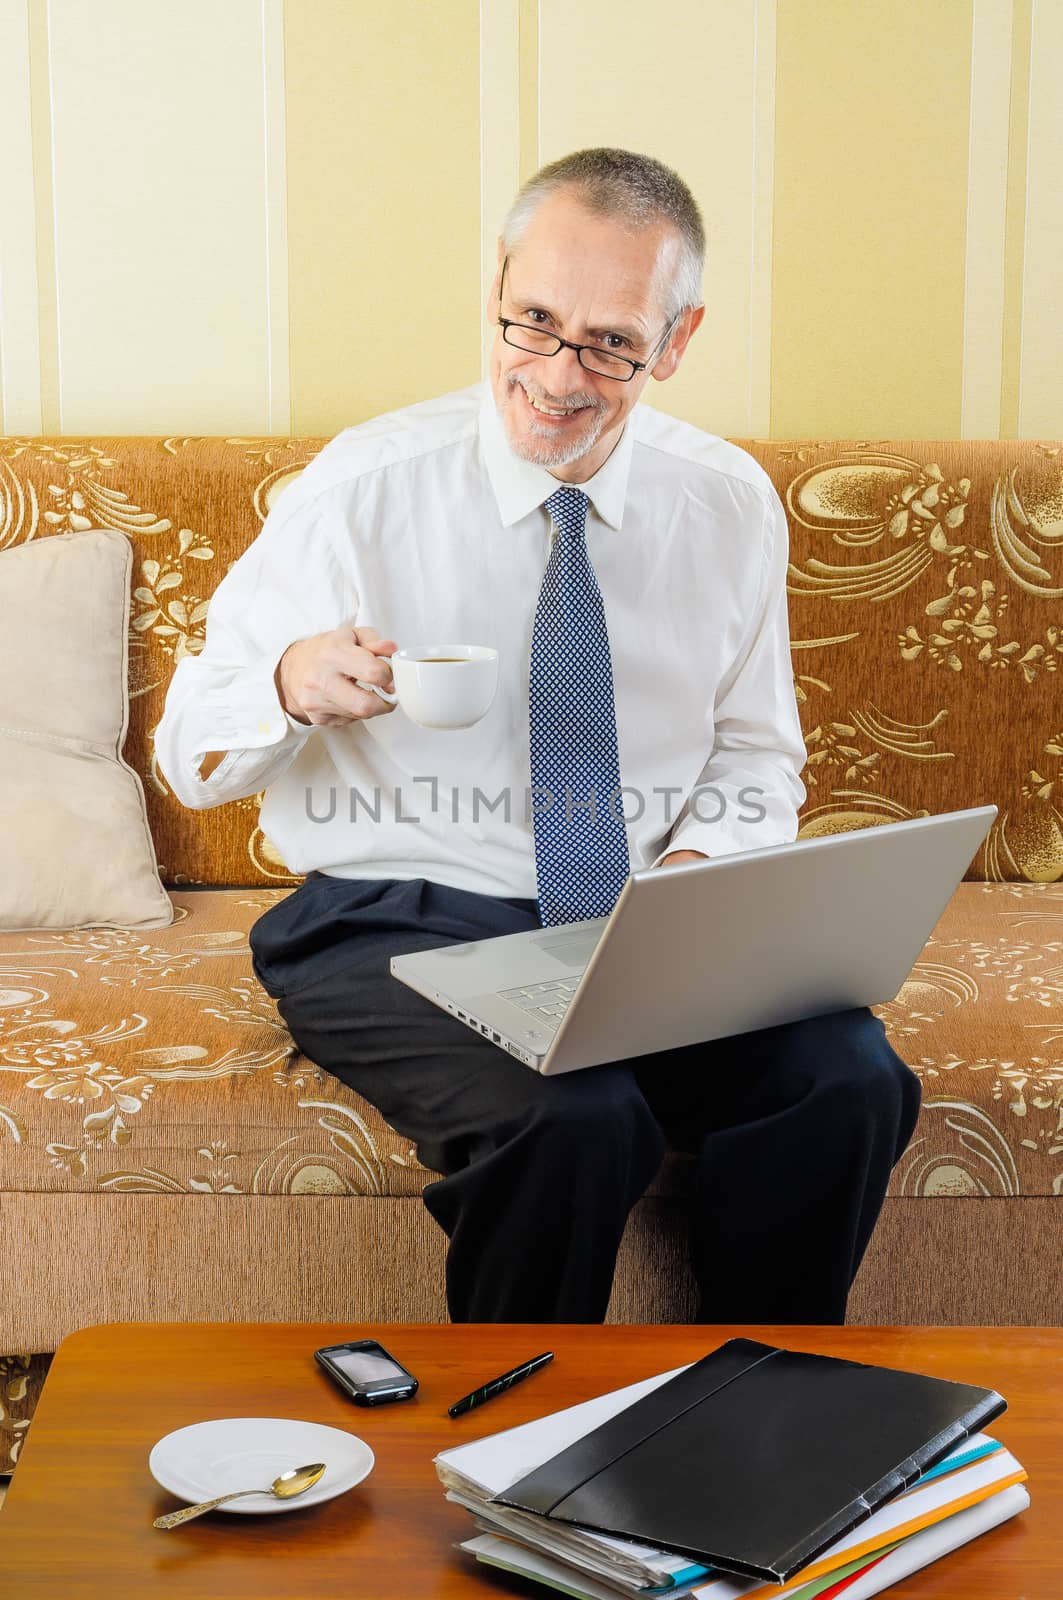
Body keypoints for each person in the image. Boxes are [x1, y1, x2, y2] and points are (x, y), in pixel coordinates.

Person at [156, 147, 920, 1325]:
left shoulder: (723, 503)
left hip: (641, 927)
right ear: (499, 289)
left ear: (674, 340)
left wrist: (699, 877)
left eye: (610, 341)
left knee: (849, 1078)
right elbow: (190, 752)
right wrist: (291, 682)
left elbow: (754, 750)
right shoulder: (362, 488)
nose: (557, 376)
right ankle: (518, 1461)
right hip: (397, 914)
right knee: (574, 1115)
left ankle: (757, 1408)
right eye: (532, 323)